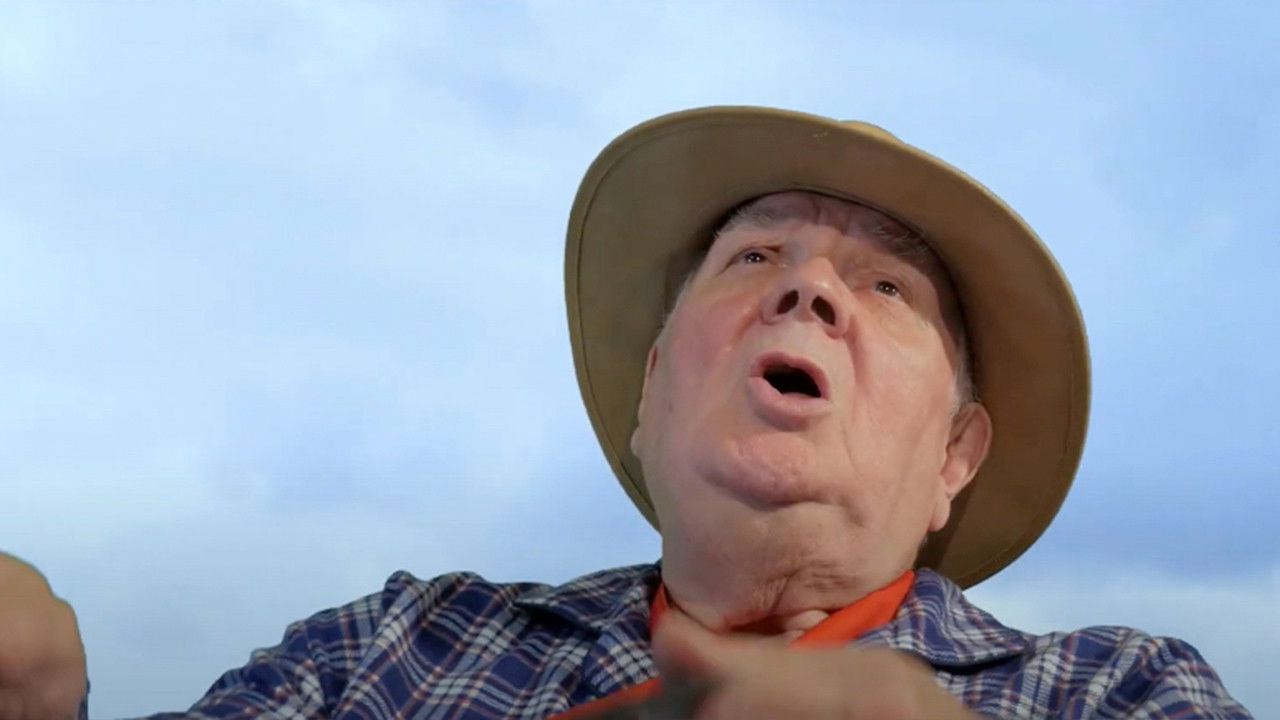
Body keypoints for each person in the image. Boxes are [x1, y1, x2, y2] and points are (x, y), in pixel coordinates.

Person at [0, 107, 1254, 719]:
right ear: (651, 390)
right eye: (752, 257)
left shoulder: (1119, 691)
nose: (810, 289)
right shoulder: (394, 648)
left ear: (954, 458)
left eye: (884, 286)